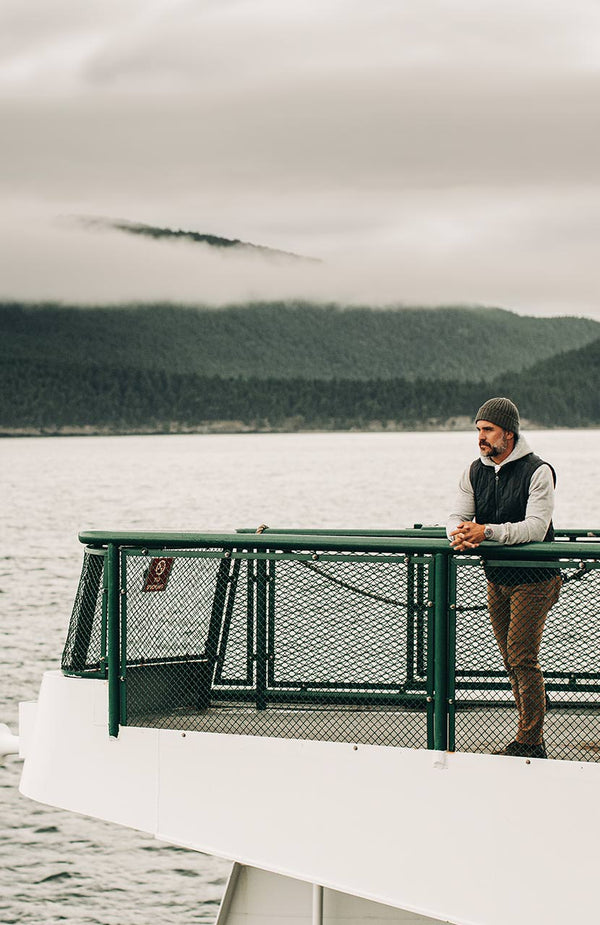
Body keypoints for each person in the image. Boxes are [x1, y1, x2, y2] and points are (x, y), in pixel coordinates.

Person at [446, 397, 561, 759]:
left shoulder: (538, 470)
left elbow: (537, 528)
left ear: (508, 434)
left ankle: (530, 741)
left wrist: (487, 533)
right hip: (497, 577)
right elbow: (456, 515)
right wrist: (459, 533)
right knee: (512, 659)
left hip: (536, 578)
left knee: (521, 656)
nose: (480, 437)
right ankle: (535, 707)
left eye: (488, 430)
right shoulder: (473, 471)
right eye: (478, 429)